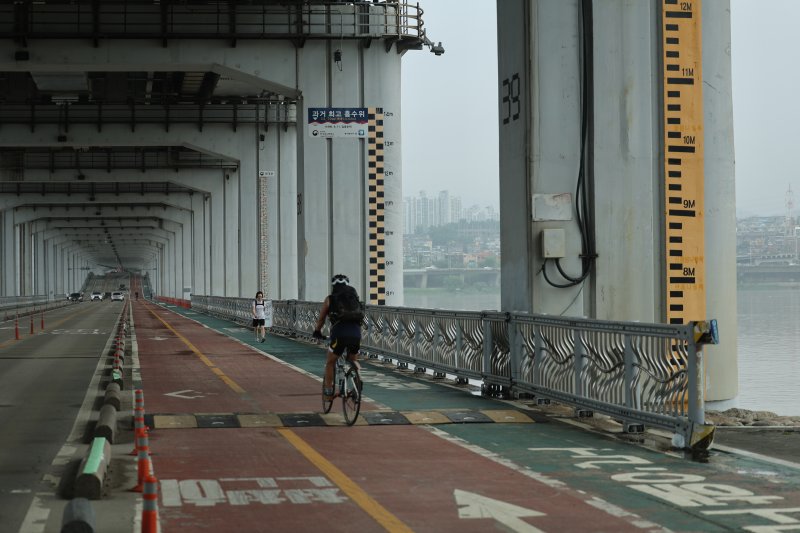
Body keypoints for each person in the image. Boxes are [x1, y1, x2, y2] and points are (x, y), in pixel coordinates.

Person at [313, 274, 362, 399]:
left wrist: (317, 331)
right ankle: (357, 381)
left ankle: (329, 390)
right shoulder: (354, 297)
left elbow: (321, 319)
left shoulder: (330, 299)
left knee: (330, 362)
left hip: (339, 334)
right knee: (353, 360)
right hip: (356, 334)